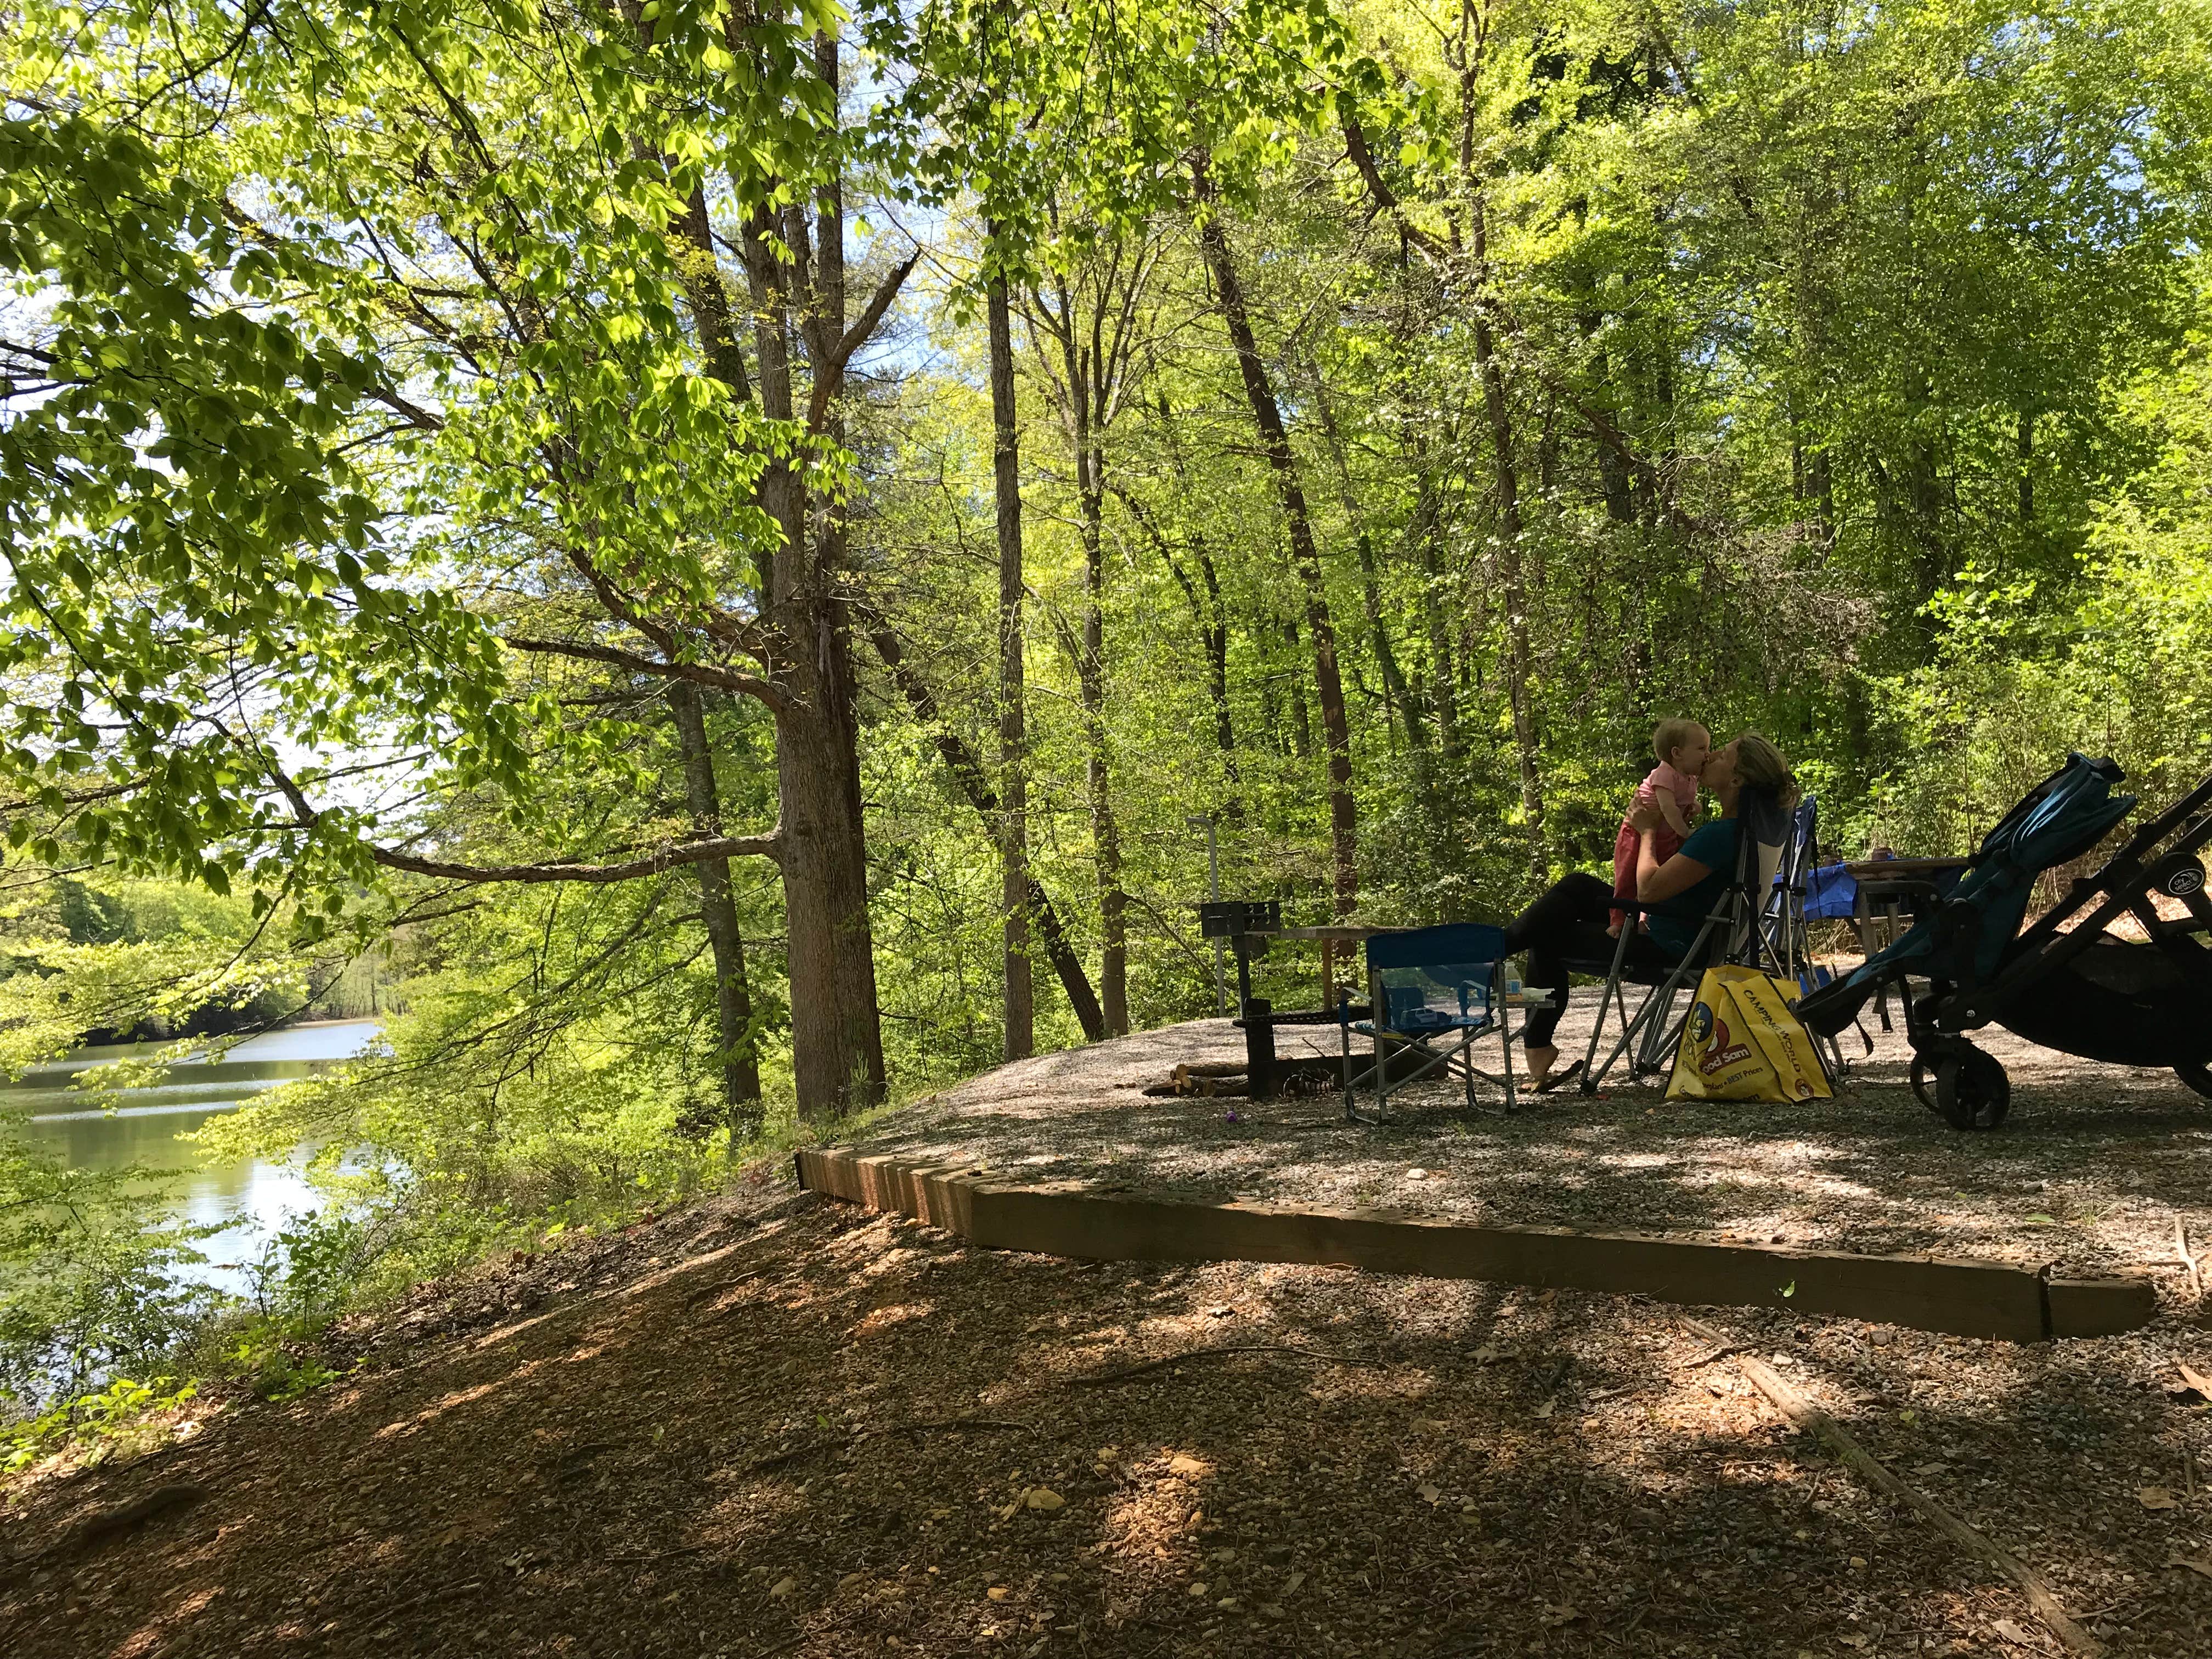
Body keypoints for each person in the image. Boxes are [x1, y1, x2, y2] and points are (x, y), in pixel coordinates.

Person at [1504, 733, 1799, 1091]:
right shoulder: (1749, 830)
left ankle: (1531, 1032)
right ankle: (1502, 948)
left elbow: (1648, 890)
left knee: (1547, 935)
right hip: (1692, 932)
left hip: (1672, 943)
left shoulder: (1722, 835)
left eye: (1723, 755)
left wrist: (1646, 832)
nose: (1712, 755)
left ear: (1737, 780)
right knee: (1578, 886)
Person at [1610, 719, 1710, 934]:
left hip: (1663, 835)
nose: (1707, 755)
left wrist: (1695, 807)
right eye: (1702, 749)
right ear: (1677, 753)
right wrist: (1684, 831)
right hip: (1636, 833)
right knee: (1627, 877)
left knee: (1658, 878)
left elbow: (1684, 803)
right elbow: (1668, 809)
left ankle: (1645, 921)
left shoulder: (1690, 778)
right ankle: (1617, 921)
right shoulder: (1664, 774)